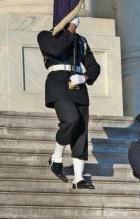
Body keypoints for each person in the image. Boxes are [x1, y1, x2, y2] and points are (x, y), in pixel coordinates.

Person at [37, 16, 101, 189]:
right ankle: (56, 156)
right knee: (71, 120)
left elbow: (94, 66)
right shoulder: (46, 36)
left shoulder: (81, 41)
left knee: (81, 129)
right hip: (57, 83)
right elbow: (56, 49)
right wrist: (71, 28)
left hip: (78, 86)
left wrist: (85, 77)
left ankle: (78, 178)